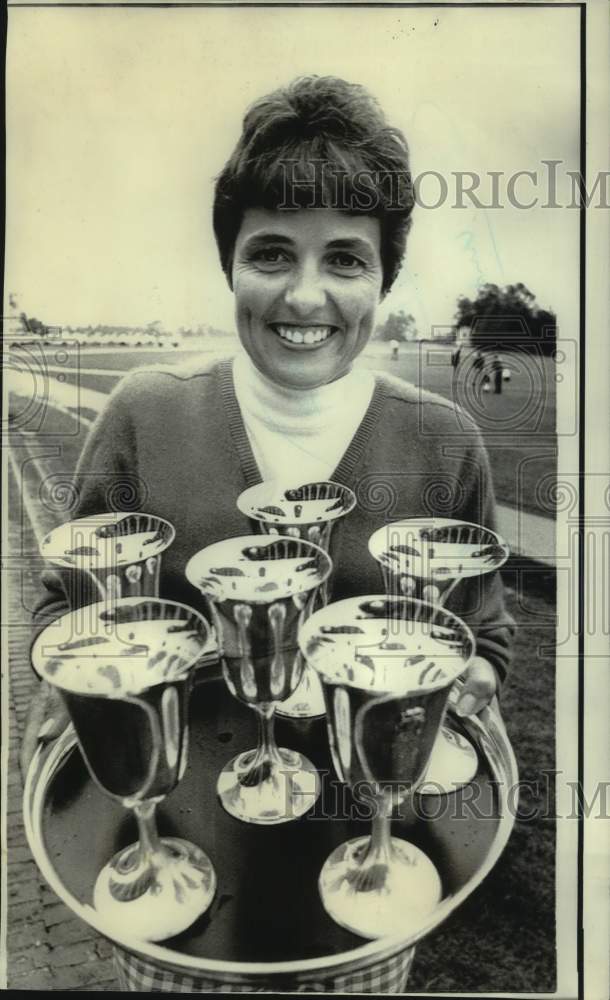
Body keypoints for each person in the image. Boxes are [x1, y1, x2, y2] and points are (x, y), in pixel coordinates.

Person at [21, 75, 514, 776]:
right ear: (231, 264)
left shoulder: (447, 440)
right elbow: (62, 609)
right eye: (272, 252)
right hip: (191, 822)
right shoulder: (142, 413)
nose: (305, 295)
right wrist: (68, 689)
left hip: (373, 829)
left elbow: (485, 632)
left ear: (384, 278)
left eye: (344, 258)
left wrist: (477, 677)